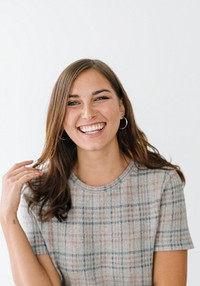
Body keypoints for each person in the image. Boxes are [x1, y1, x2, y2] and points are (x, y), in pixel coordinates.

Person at [0, 59, 193, 286]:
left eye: (100, 98)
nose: (88, 113)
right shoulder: (39, 193)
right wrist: (7, 217)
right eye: (72, 103)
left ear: (121, 106)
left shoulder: (162, 184)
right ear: (60, 116)